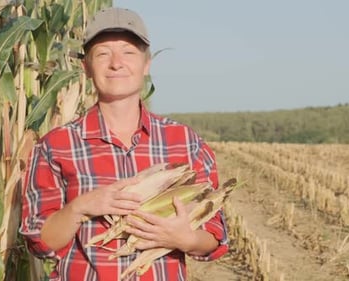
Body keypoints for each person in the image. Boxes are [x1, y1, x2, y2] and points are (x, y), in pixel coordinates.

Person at [19, 7, 229, 281]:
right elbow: (40, 242)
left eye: (128, 52)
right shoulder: (57, 145)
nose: (116, 63)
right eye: (103, 53)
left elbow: (216, 236)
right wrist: (80, 207)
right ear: (86, 66)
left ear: (147, 64)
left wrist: (184, 238)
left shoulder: (184, 142)